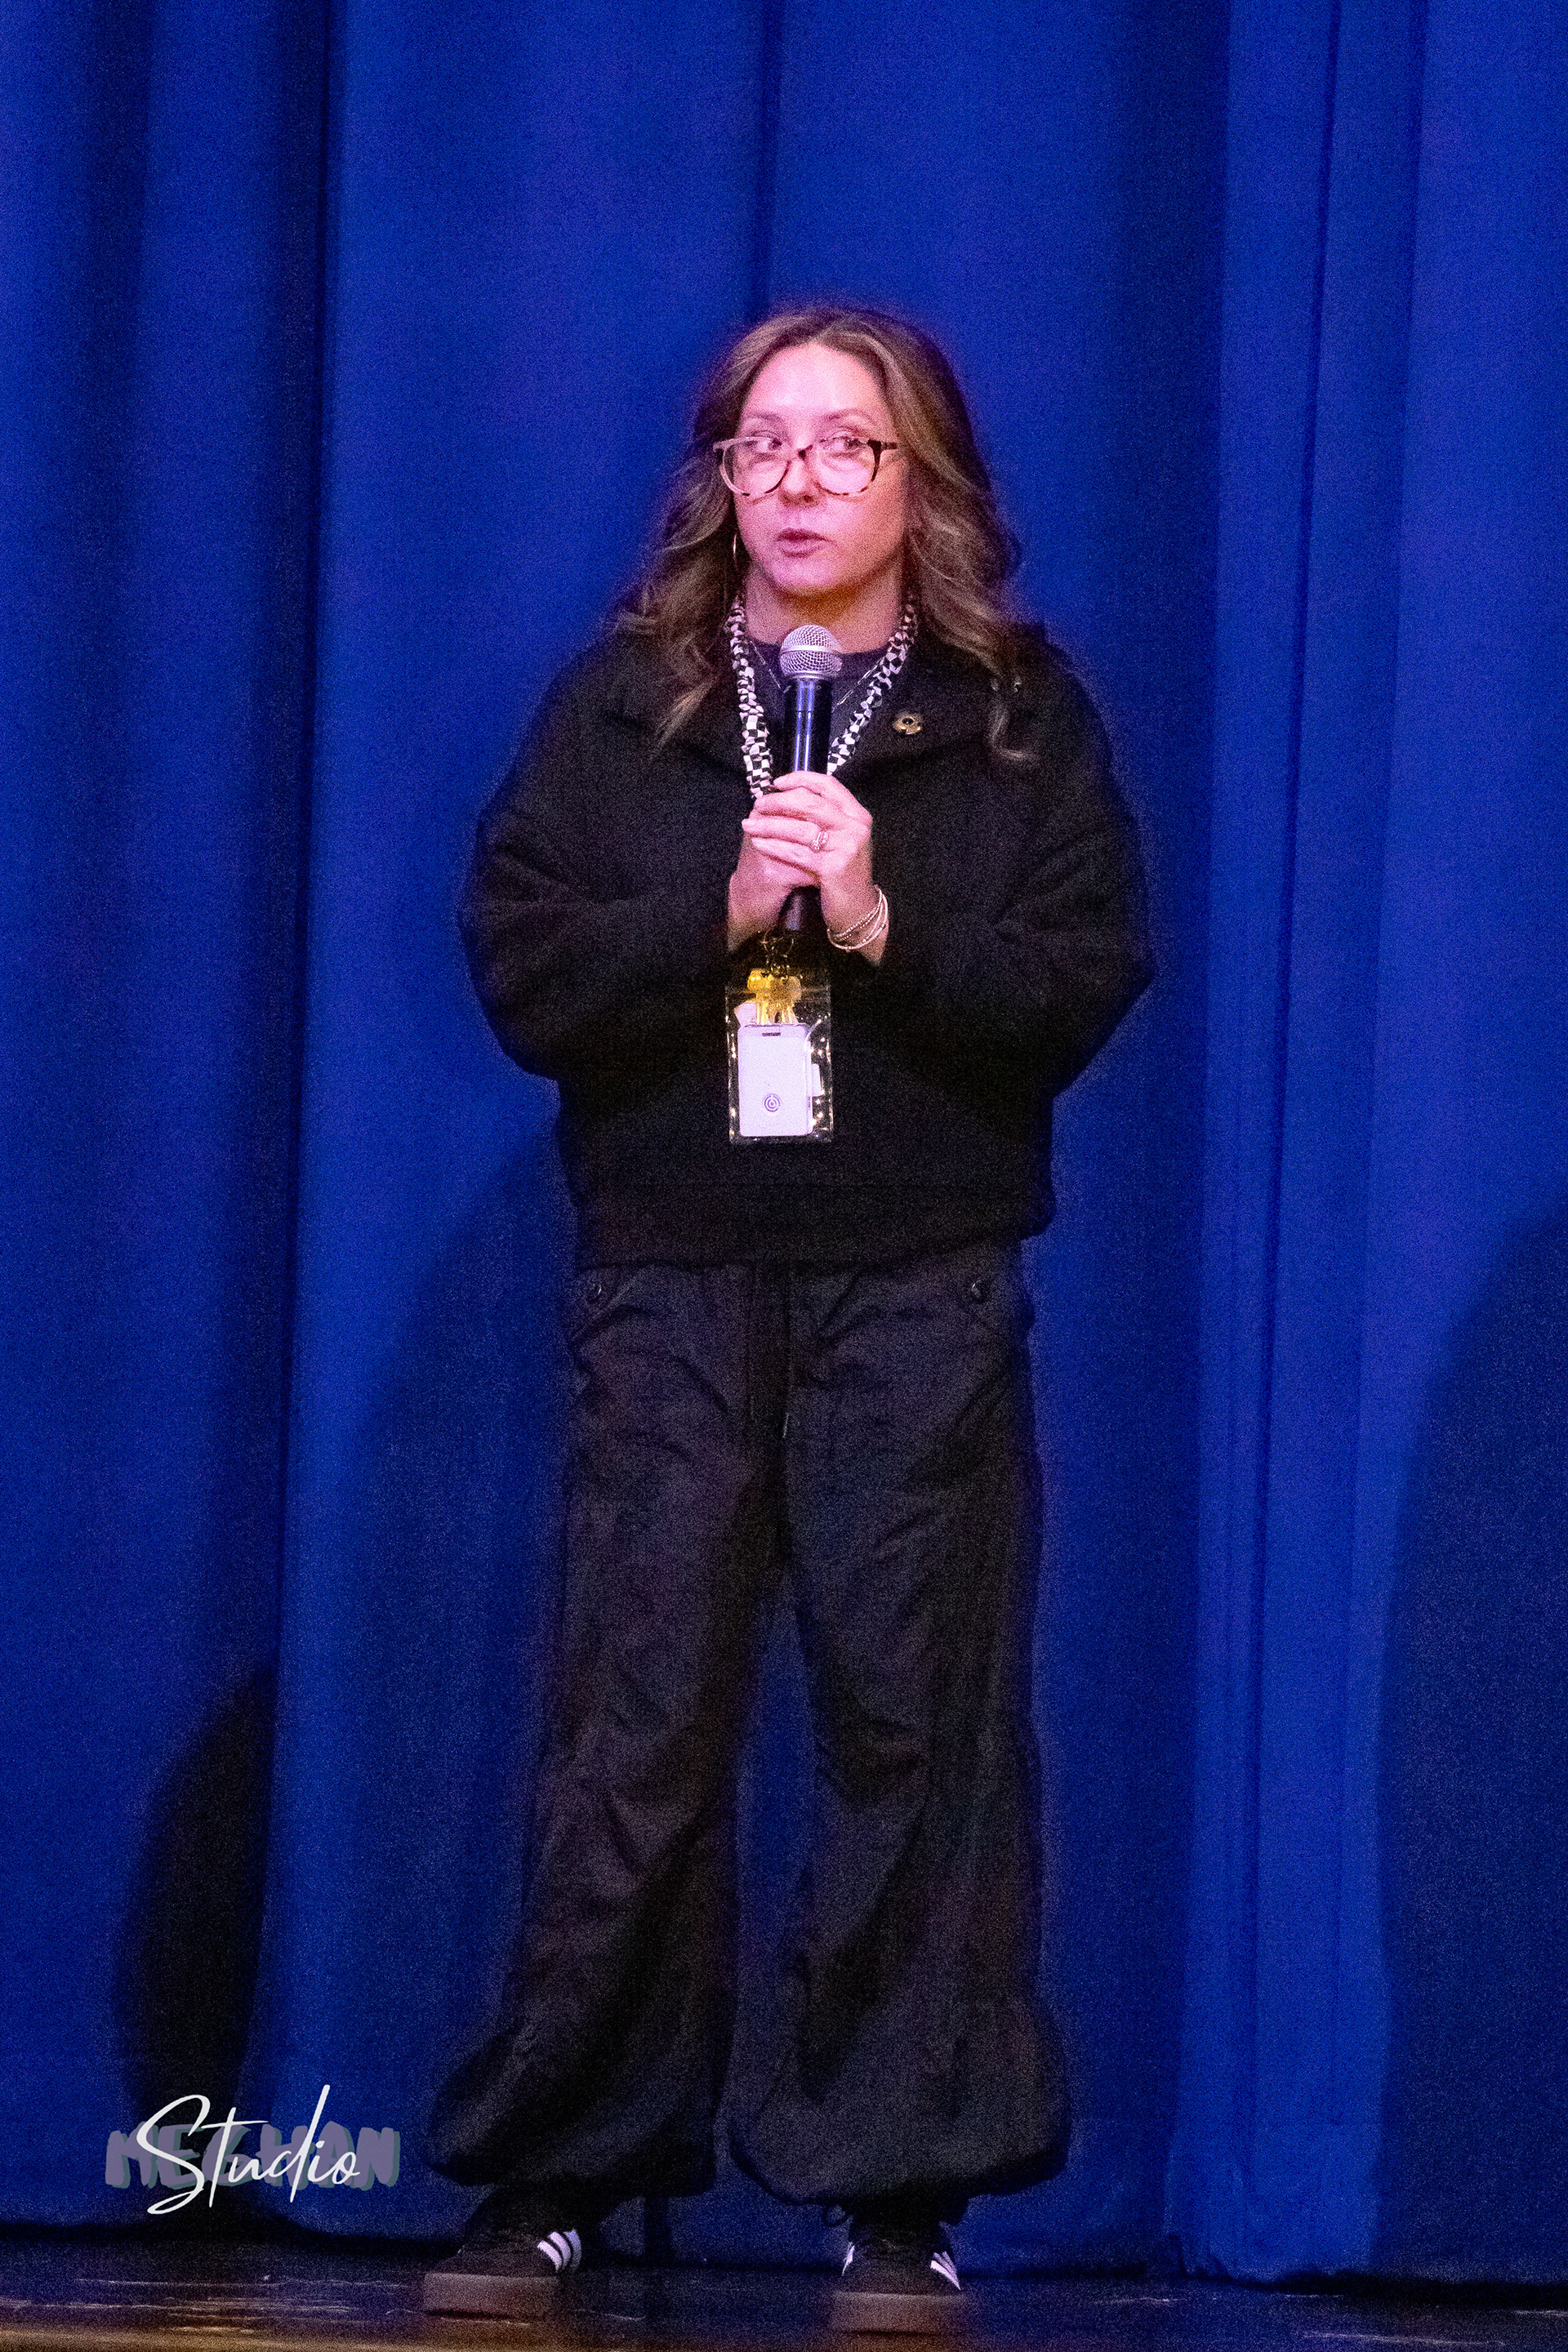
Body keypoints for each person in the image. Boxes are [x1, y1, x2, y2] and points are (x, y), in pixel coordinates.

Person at [422, 305, 1152, 2330]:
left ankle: (897, 2184)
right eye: (766, 447)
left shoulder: (1013, 714)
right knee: (637, 1718)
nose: (801, 481)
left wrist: (888, 924)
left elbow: (1081, 985)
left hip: (916, 1274)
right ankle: (561, 2165)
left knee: (916, 1722)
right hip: (673, 1271)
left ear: (923, 479)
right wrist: (720, 919)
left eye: (847, 445)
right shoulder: (629, 703)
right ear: (719, 481)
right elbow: (522, 963)